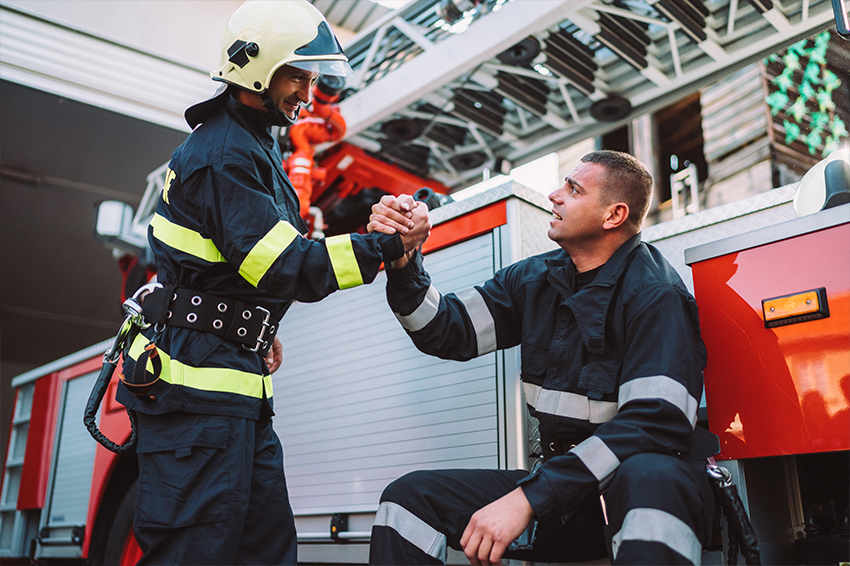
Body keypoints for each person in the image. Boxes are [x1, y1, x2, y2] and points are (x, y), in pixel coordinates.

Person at [115, 1, 430, 564]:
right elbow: (285, 264)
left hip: (226, 390)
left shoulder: (252, 142)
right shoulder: (225, 154)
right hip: (199, 399)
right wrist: (386, 244)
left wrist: (251, 322)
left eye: (312, 78)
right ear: (257, 68)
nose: (307, 93)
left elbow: (235, 266)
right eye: (297, 76)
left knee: (265, 551)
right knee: (198, 553)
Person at [366, 150, 716, 566]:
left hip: (640, 495)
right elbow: (444, 329)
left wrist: (528, 498)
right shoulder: (534, 280)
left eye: (574, 190)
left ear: (614, 215)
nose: (555, 195)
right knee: (408, 500)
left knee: (651, 477)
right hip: (567, 498)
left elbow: (655, 424)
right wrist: (403, 259)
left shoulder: (655, 295)